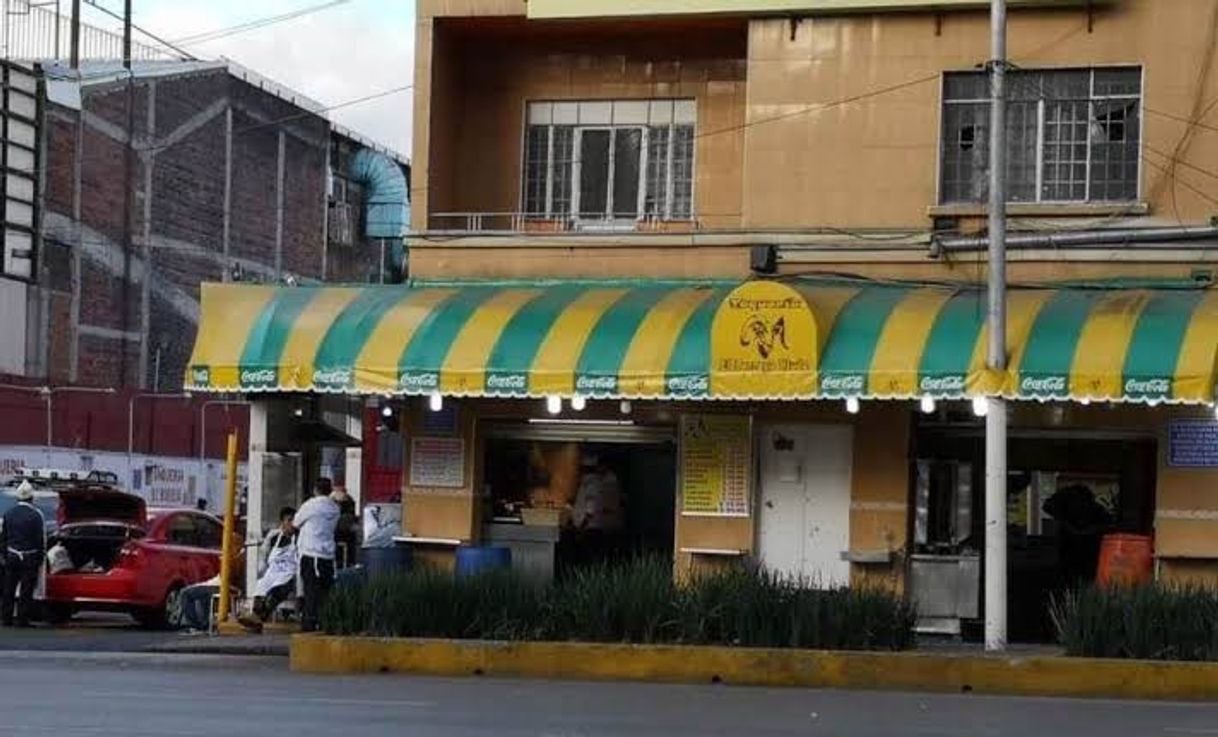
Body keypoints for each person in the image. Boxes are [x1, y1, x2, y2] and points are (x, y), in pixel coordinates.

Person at [238, 506, 298, 633]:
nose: (292, 524)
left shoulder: (299, 538)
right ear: (282, 522)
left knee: (277, 590)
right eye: (289, 520)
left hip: (289, 574)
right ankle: (256, 618)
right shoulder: (274, 537)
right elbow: (264, 554)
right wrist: (262, 571)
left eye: (294, 520)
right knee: (260, 586)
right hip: (272, 572)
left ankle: (258, 619)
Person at [293, 479, 340, 633]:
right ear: (330, 490)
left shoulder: (311, 505)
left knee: (310, 591)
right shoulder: (335, 508)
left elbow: (296, 523)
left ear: (315, 490)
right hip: (328, 555)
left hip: (311, 554)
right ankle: (325, 623)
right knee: (325, 592)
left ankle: (309, 625)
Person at [1, 481, 47, 627]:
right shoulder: (36, 515)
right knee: (26, 590)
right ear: (31, 498)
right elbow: (39, 539)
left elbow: (4, 537)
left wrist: (4, 555)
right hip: (29, 557)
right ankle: (22, 619)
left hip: (12, 555)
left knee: (9, 588)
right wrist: (40, 558)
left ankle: (6, 618)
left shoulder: (8, 514)